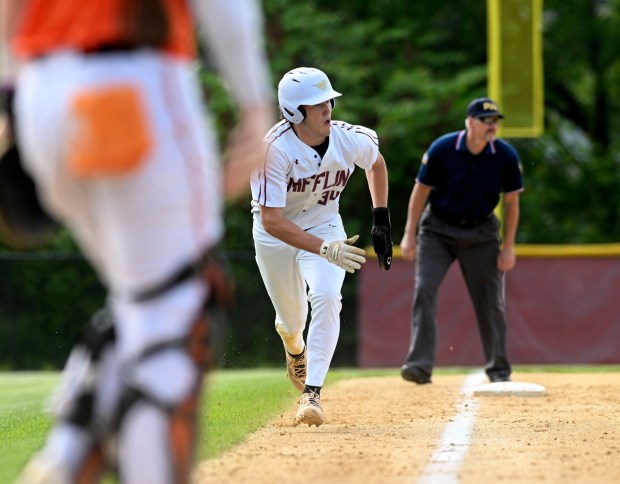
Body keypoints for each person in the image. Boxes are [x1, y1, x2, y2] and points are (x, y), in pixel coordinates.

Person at [0, 1, 274, 483]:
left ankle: (66, 459)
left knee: (142, 303)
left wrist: (8, 96)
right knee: (181, 304)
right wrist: (254, 103)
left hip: (36, 94)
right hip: (131, 84)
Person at [251, 66, 392, 428]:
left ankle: (311, 392)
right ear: (295, 112)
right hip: (276, 236)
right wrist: (324, 249)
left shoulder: (347, 138)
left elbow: (375, 163)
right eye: (317, 103)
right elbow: (272, 220)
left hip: (324, 224)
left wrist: (381, 218)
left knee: (328, 296)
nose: (328, 107)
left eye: (328, 100)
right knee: (291, 321)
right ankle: (294, 347)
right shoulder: (273, 151)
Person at [399, 97, 523, 385]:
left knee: (491, 301)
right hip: (437, 231)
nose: (491, 126)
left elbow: (512, 202)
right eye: (485, 120)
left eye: (495, 121)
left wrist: (509, 245)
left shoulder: (504, 155)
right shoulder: (443, 149)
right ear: (469, 121)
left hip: (482, 234)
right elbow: (420, 192)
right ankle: (419, 365)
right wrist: (409, 233)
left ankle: (499, 369)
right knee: (424, 290)